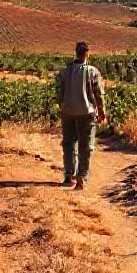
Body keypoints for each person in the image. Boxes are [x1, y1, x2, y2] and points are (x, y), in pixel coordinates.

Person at [54, 41, 106, 190]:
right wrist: (102, 112)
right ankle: (81, 178)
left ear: (76, 53)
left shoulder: (65, 71)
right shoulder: (92, 71)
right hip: (86, 112)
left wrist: (63, 106)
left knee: (68, 144)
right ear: (87, 54)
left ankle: (68, 176)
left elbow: (59, 93)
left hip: (67, 112)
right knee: (86, 146)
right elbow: (98, 95)